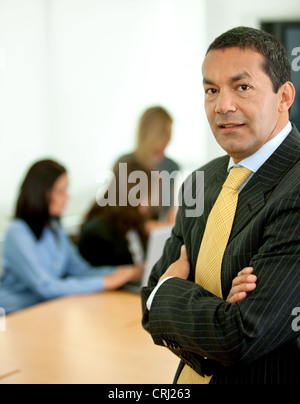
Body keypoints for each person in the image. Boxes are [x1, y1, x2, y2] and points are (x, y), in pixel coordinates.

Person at [142, 26, 300, 384]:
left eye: (242, 87)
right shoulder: (202, 180)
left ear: (284, 97)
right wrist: (213, 309)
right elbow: (147, 303)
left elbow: (239, 336)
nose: (223, 105)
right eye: (211, 90)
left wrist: (169, 291)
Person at [0, 160, 142, 314]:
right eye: (60, 192)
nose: (67, 197)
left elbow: (81, 270)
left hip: (46, 310)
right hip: (14, 316)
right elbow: (45, 287)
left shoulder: (54, 229)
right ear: (41, 194)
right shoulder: (17, 233)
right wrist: (104, 282)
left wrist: (124, 272)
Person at [78, 158, 151, 267]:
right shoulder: (98, 231)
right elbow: (107, 276)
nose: (151, 200)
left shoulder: (133, 220)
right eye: (148, 193)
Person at [117, 106, 180, 225]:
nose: (169, 138)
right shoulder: (126, 164)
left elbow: (170, 216)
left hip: (158, 235)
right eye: (167, 132)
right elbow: (119, 214)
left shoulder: (171, 166)